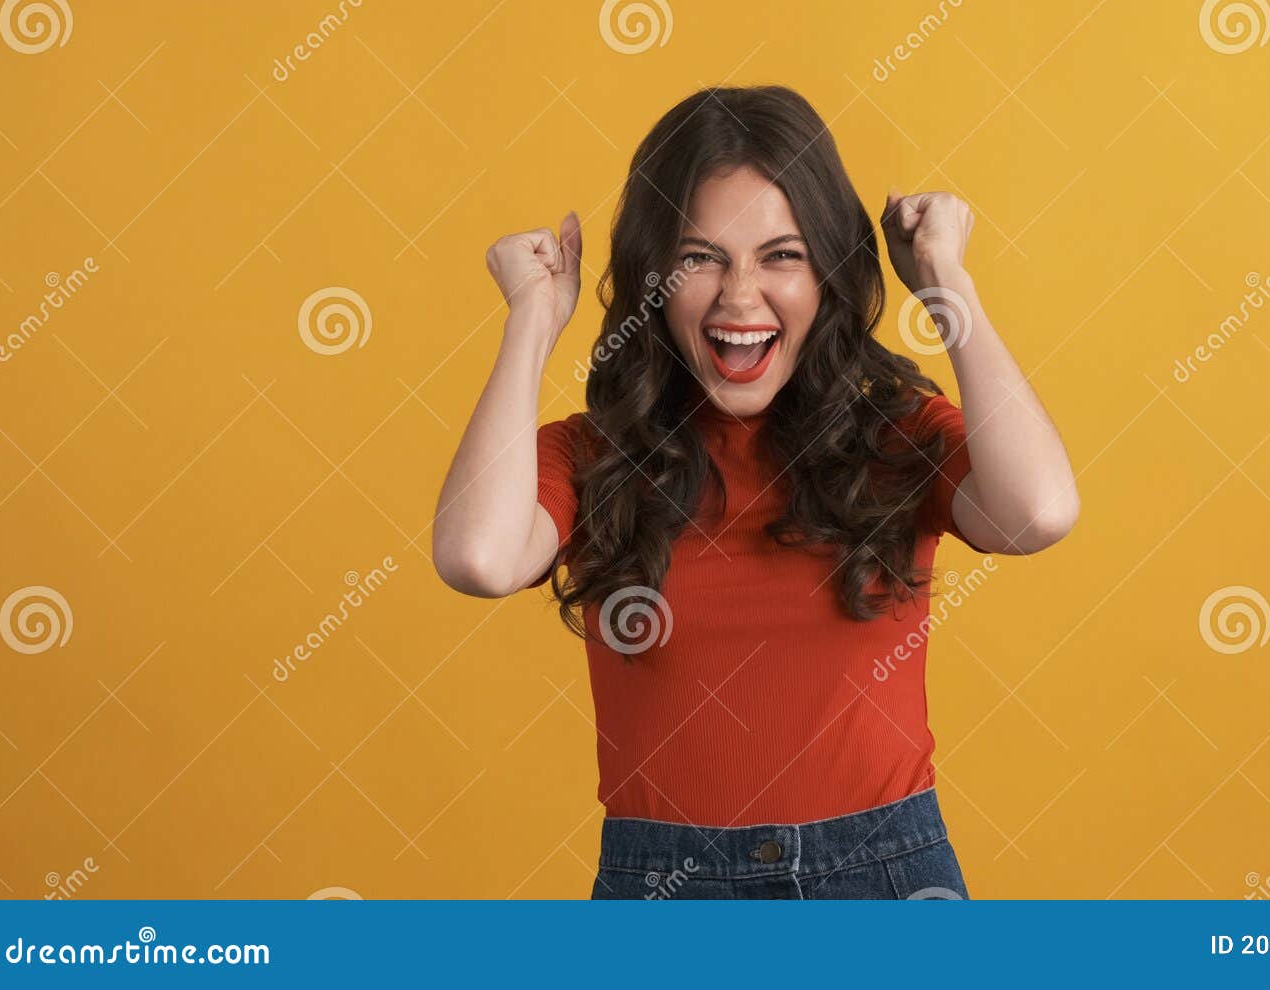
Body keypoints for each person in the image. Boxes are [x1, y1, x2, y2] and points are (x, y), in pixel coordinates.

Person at [432, 85, 1079, 899]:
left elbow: (1039, 513)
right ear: (652, 278)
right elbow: (477, 558)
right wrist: (531, 320)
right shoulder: (594, 455)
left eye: (783, 255)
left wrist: (945, 277)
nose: (740, 297)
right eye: (699, 257)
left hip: (883, 885)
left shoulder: (895, 435)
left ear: (830, 275)